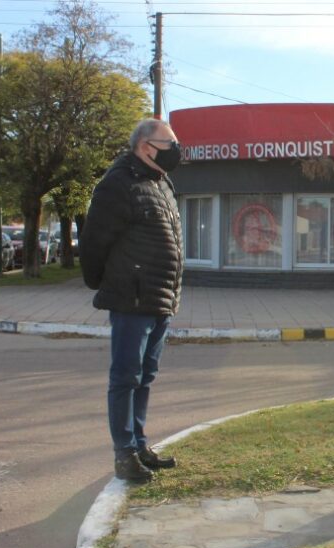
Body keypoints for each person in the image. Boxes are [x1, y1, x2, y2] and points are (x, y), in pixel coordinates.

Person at [81, 118, 185, 484]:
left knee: (146, 376)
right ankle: (123, 454)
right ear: (145, 146)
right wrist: (101, 283)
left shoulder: (161, 183)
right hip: (131, 298)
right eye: (169, 143)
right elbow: (94, 242)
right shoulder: (118, 184)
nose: (176, 149)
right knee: (125, 377)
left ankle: (140, 444)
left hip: (159, 299)